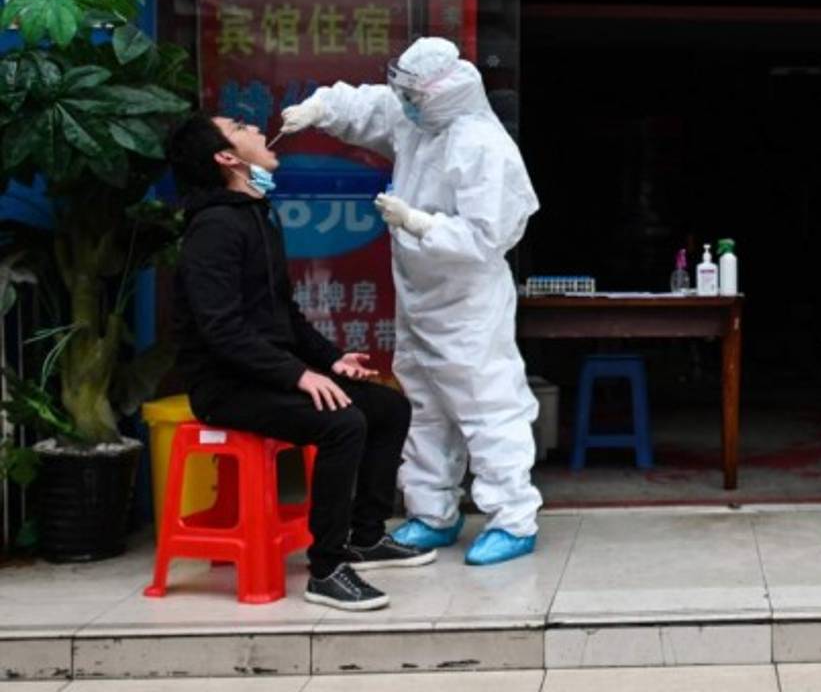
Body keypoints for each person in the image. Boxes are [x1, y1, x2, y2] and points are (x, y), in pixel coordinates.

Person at [279, 37, 543, 566]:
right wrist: (320, 108)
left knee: (486, 405)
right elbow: (368, 107)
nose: (400, 99)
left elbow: (484, 239)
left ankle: (513, 518)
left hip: (467, 304)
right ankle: (432, 512)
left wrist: (420, 223)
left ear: (439, 93)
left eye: (409, 92)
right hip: (419, 297)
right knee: (422, 407)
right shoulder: (417, 121)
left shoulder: (483, 146)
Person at [169, 113, 436, 612]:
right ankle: (328, 568)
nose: (253, 128)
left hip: (267, 373)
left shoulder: (254, 214)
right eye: (237, 128)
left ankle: (366, 536)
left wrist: (332, 360)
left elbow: (283, 315)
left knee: (388, 408)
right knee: (343, 424)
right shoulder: (213, 230)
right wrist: (298, 374)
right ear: (226, 159)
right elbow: (222, 330)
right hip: (227, 388)